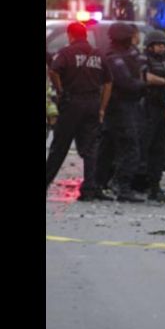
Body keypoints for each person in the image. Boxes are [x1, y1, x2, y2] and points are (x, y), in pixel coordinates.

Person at [46, 22, 112, 200]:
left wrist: (60, 90)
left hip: (72, 103)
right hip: (92, 103)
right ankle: (89, 189)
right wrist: (102, 108)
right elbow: (108, 82)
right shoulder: (98, 54)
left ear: (70, 36)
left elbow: (53, 70)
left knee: (59, 146)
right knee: (90, 149)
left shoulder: (66, 53)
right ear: (86, 35)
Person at [94, 22, 148, 202]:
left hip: (125, 106)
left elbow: (141, 65)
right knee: (129, 147)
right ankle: (121, 186)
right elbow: (127, 83)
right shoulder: (112, 57)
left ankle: (98, 184)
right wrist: (144, 84)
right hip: (120, 107)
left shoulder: (128, 53)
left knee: (108, 148)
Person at [138, 30, 165, 202]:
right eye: (159, 45)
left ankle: (154, 186)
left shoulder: (163, 63)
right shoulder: (144, 60)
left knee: (158, 150)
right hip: (147, 108)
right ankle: (132, 183)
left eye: (163, 45)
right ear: (150, 46)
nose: (162, 48)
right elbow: (145, 77)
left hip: (159, 108)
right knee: (143, 148)